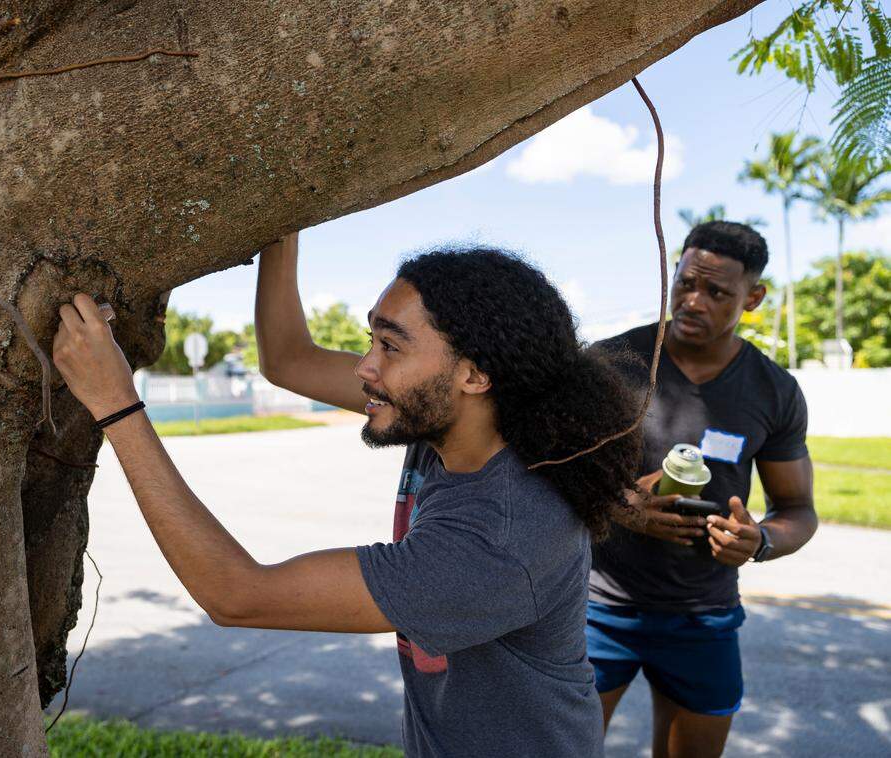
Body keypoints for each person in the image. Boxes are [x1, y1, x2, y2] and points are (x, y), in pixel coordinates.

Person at [53, 236, 640, 756]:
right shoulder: (447, 422)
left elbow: (237, 596)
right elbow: (288, 358)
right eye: (371, 340)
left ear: (475, 374)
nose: (365, 367)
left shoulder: (500, 538)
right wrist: (282, 223)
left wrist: (115, 404)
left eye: (391, 346)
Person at [589, 221, 818, 757]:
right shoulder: (611, 363)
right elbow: (544, 468)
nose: (693, 301)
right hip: (595, 606)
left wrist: (759, 540)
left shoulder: (774, 390)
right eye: (686, 283)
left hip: (702, 614)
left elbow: (799, 509)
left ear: (753, 298)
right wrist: (618, 504)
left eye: (717, 292)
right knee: (561, 748)